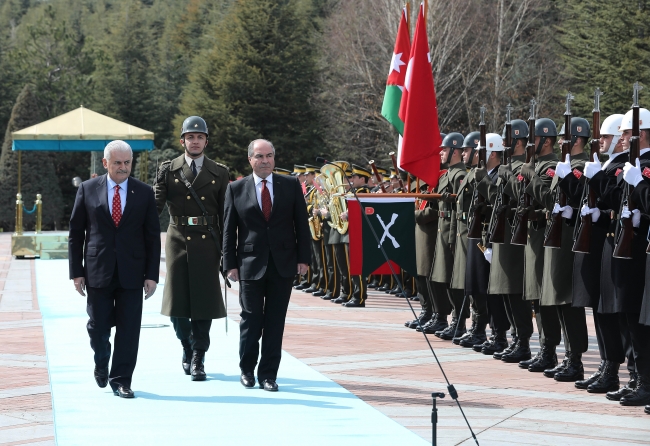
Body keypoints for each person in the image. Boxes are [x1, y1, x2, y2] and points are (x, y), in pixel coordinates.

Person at [69, 140, 161, 398]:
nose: (123, 168)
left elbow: (152, 237)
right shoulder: (87, 189)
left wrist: (152, 275)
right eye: (118, 163)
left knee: (129, 329)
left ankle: (121, 380)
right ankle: (101, 359)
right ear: (105, 163)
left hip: (133, 272)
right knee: (98, 327)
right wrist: (77, 271)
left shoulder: (144, 192)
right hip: (97, 270)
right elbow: (76, 234)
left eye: (127, 163)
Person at [223, 139, 311, 391]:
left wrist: (303, 258)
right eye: (260, 156)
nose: (265, 161)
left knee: (275, 321)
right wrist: (229, 264)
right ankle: (247, 370)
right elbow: (229, 231)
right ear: (250, 159)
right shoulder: (236, 189)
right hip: (250, 264)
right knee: (251, 319)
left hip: (283, 264)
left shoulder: (291, 185)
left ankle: (269, 375)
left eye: (269, 156)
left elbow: (301, 225)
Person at [154, 116, 230, 381]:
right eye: (190, 137)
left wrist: (227, 251)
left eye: (199, 137)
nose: (195, 141)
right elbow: (155, 206)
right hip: (177, 239)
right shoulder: (168, 169)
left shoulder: (219, 171)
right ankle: (186, 345)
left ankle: (198, 355)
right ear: (182, 140)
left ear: (206, 141)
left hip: (207, 241)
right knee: (176, 305)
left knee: (203, 303)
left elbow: (225, 214)